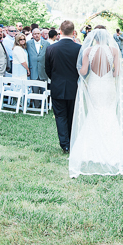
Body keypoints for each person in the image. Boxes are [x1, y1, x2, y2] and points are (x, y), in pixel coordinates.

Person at [69, 28, 123, 178]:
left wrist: (80, 72)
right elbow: (116, 73)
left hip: (95, 86)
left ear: (93, 38)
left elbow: (83, 71)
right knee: (108, 113)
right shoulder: (114, 50)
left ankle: (90, 149)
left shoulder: (88, 50)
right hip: (108, 86)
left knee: (95, 113)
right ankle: (112, 149)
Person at [45, 20, 80, 154]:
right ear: (73, 32)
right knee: (72, 116)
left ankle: (64, 145)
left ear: (60, 31)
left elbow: (47, 69)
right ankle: (72, 142)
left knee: (60, 116)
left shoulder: (51, 48)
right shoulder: (79, 48)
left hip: (57, 86)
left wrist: (56, 79)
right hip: (74, 87)